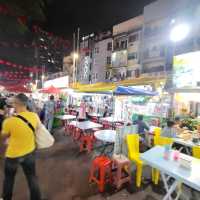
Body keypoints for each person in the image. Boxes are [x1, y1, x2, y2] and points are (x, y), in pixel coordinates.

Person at [0, 93, 41, 200]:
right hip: (30, 152)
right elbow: (35, 130)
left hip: (13, 155)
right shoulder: (34, 116)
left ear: (16, 104)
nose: (12, 104)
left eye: (13, 102)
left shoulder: (9, 121)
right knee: (32, 178)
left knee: (9, 179)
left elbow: (3, 136)